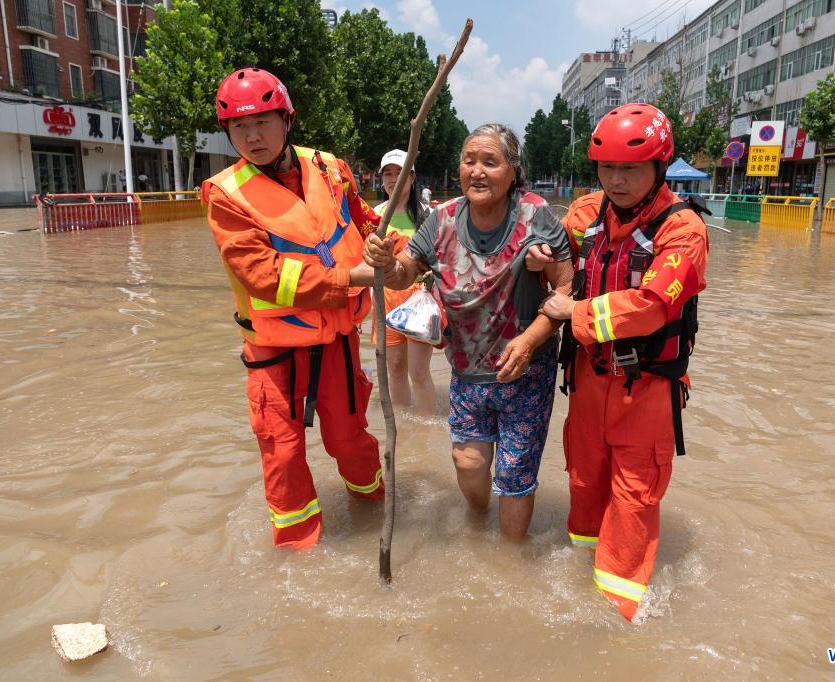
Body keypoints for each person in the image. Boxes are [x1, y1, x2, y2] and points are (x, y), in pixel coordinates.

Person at [532, 103, 709, 620]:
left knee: (633, 501)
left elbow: (653, 305)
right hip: (588, 380)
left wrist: (575, 310)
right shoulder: (588, 212)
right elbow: (550, 245)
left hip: (646, 389)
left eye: (630, 169)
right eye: (607, 168)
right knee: (584, 484)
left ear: (659, 167)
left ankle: (616, 616)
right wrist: (543, 259)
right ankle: (577, 579)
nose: (617, 180)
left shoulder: (684, 230)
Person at [201, 67, 386, 549]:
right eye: (240, 127)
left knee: (352, 442)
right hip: (273, 352)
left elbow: (362, 226)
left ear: (287, 119)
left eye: (263, 121)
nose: (252, 135)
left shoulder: (330, 168)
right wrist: (350, 278)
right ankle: (299, 557)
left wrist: (393, 253)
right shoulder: (225, 194)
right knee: (282, 457)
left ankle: (374, 510)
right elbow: (261, 274)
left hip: (338, 341)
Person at [364, 124, 574, 542]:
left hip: (525, 373)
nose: (477, 171)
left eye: (490, 162)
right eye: (469, 160)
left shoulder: (536, 216)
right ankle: (479, 523)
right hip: (466, 370)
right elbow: (406, 270)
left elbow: (567, 289)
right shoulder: (441, 219)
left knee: (515, 475)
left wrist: (531, 340)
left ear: (513, 170)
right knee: (468, 462)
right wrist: (386, 264)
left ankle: (509, 563)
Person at [373, 149, 435, 414]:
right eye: (388, 173)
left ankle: (426, 426)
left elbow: (441, 257)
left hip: (419, 301)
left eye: (400, 173)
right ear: (381, 180)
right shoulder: (373, 216)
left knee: (419, 372)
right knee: (395, 368)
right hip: (384, 301)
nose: (393, 179)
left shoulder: (428, 215)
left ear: (412, 178)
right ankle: (402, 427)